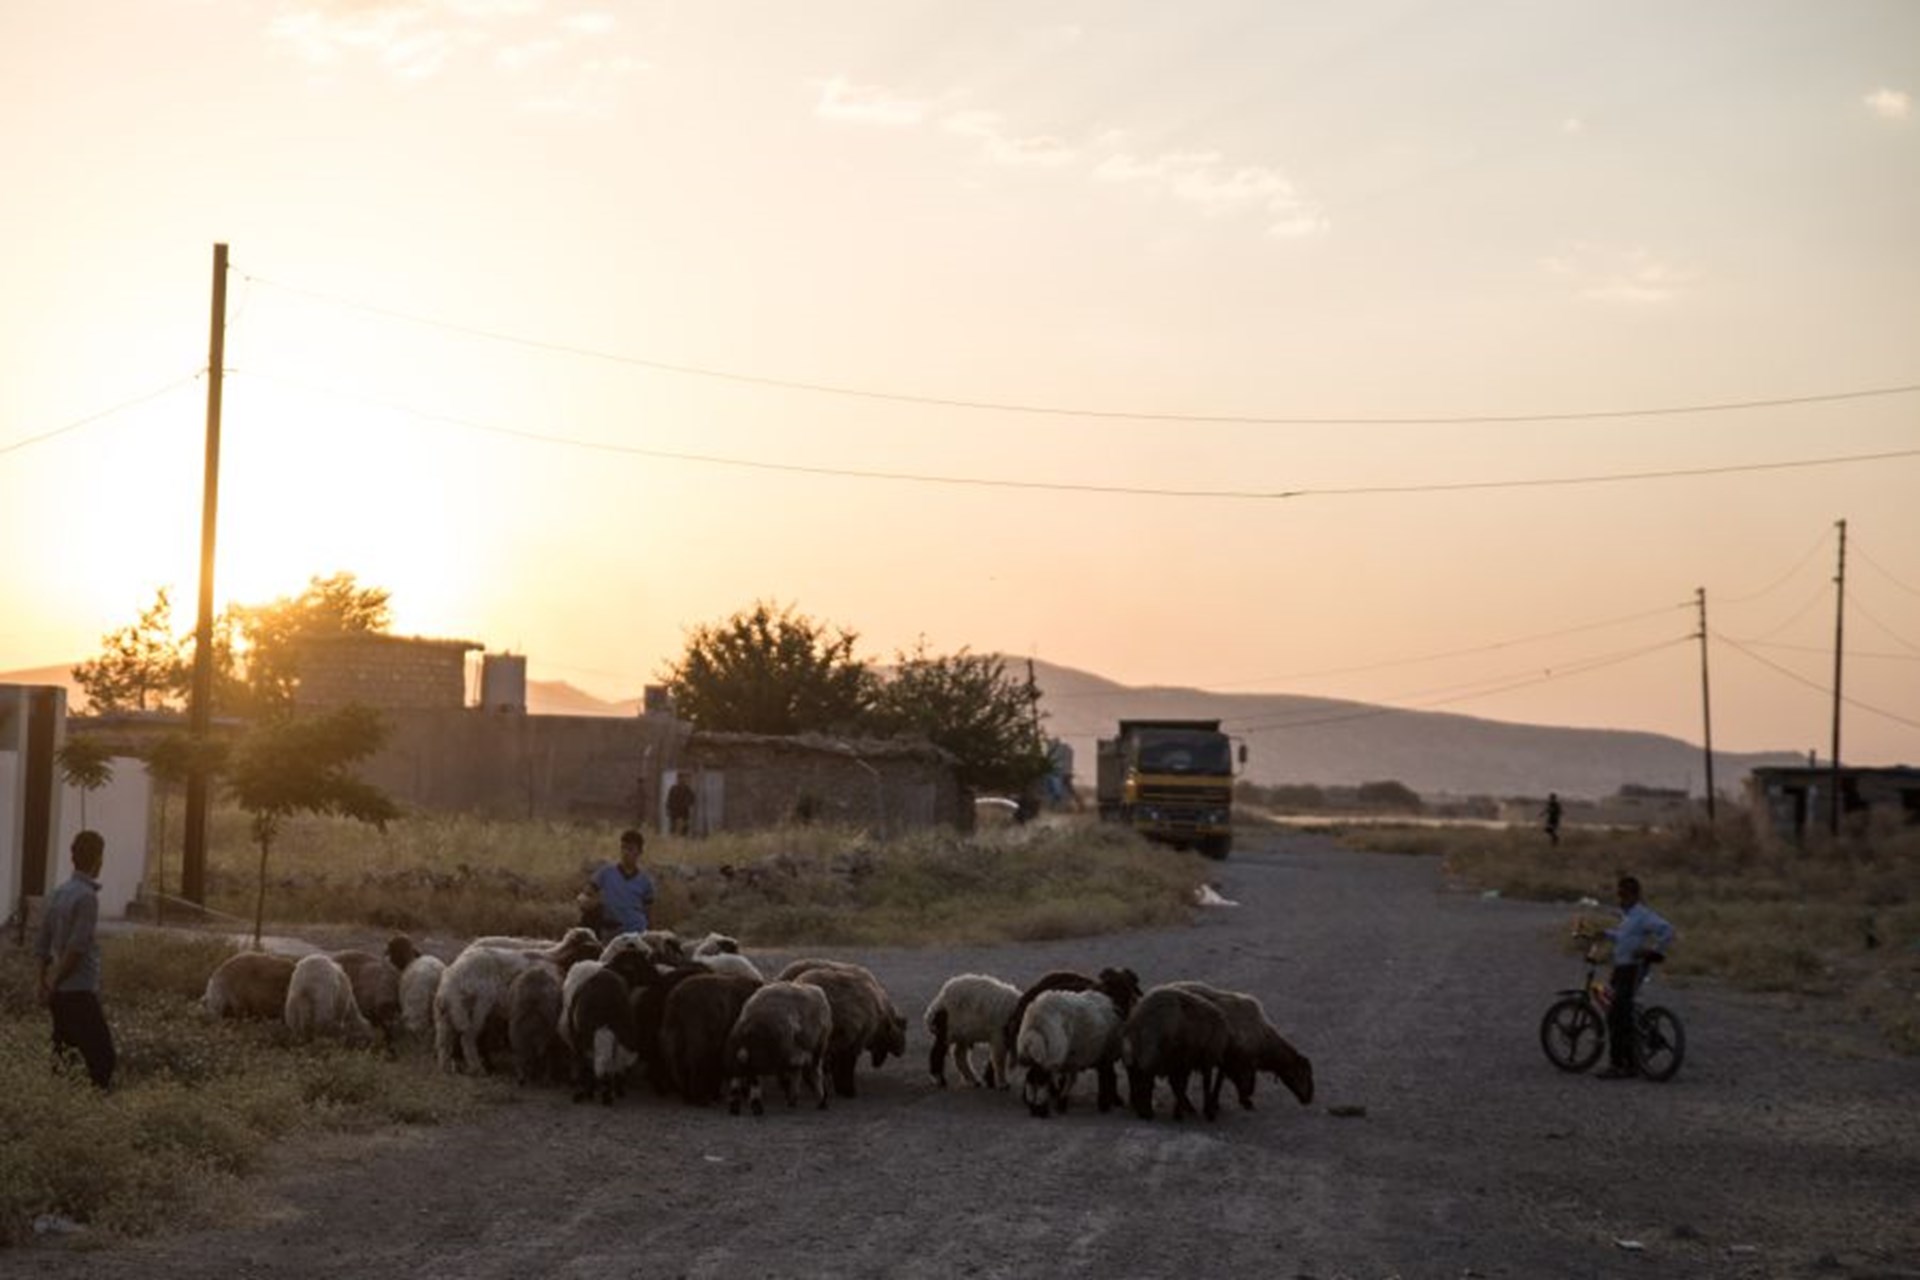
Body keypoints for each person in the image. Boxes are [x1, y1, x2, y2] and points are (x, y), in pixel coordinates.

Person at [35, 829, 117, 1089]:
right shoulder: (87, 898)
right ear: (98, 860)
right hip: (78, 990)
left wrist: (42, 982)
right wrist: (56, 983)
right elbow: (76, 948)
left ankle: (60, 1110)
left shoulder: (59, 892)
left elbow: (43, 941)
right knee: (103, 1058)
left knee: (63, 1059)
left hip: (60, 994)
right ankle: (96, 1110)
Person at [1596, 874, 1675, 1079]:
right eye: (1619, 893)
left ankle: (1620, 1064)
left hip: (1632, 969)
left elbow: (1667, 930)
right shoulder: (1629, 917)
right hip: (1621, 968)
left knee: (1617, 1015)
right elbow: (1625, 937)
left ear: (1634, 895)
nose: (1620, 898)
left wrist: (1654, 951)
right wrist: (1606, 934)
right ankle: (1630, 1062)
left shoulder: (1642, 915)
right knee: (1621, 1012)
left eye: (1624, 894)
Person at [586, 829, 656, 942]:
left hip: (636, 933)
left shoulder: (645, 880)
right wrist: (589, 903)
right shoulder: (606, 872)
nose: (625, 852)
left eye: (630, 849)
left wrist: (650, 934)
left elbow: (649, 912)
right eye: (623, 848)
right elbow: (588, 893)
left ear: (639, 852)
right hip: (611, 933)